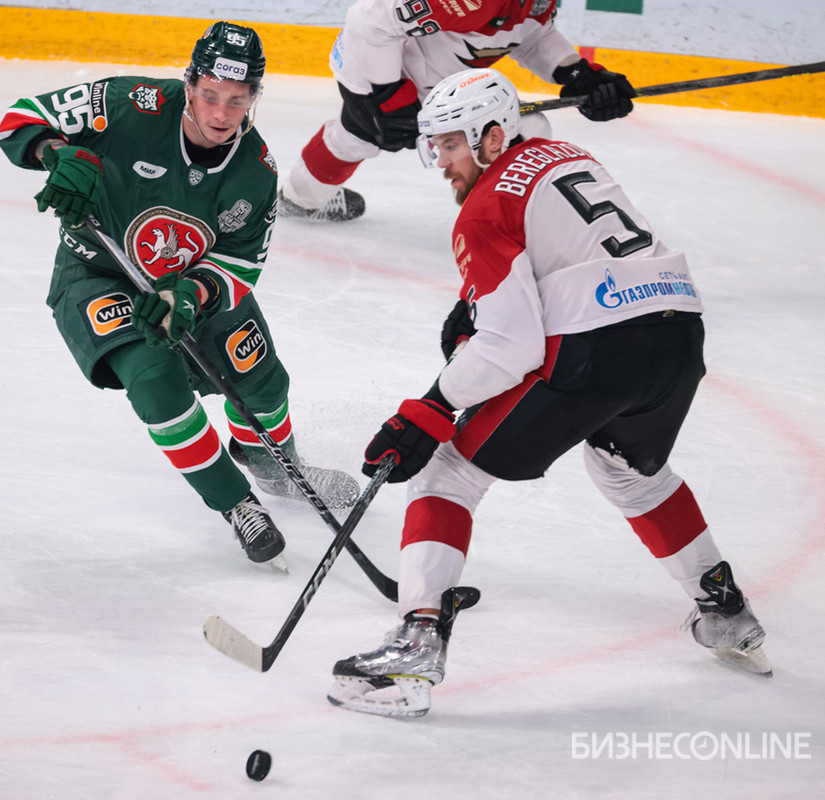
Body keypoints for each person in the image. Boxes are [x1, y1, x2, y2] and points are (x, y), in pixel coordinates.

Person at [326, 68, 769, 719]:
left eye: (451, 145)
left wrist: (431, 407)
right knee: (630, 475)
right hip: (678, 333)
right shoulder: (562, 155)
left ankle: (416, 648)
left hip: (599, 346)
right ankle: (725, 612)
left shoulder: (482, 208)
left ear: (491, 135)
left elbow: (511, 346)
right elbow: (560, 245)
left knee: (447, 473)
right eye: (436, 146)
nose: (441, 163)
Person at [0, 21, 359, 569]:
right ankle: (237, 503)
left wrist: (190, 293)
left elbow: (240, 263)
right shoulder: (128, 105)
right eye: (209, 95)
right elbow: (19, 117)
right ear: (189, 84)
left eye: (237, 102)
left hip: (188, 286)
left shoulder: (255, 172)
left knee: (262, 380)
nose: (219, 114)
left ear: (254, 99)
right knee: (155, 384)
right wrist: (54, 154)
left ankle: (268, 459)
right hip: (98, 274)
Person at [279, 0, 637, 222]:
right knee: (356, 139)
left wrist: (576, 74)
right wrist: (387, 97)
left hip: (444, 86)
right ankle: (300, 199)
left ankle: (501, 219)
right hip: (376, 73)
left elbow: (531, 36)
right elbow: (368, 21)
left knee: (525, 130)